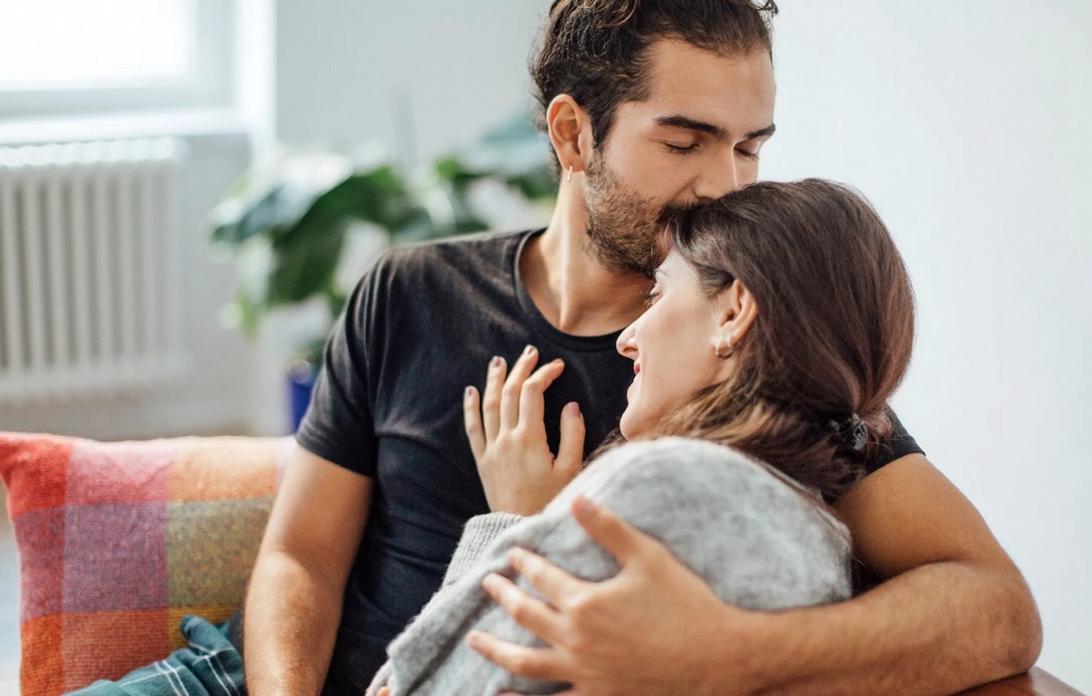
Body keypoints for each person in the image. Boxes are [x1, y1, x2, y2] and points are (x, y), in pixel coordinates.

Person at [73, 2, 1040, 694]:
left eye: (748, 146)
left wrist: (728, 656)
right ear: (575, 134)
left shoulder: (761, 352)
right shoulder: (409, 292)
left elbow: (996, 609)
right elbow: (299, 558)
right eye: (685, 141)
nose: (725, 184)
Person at [365, 178, 920, 695]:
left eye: (656, 295)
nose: (628, 338)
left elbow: (406, 687)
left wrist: (516, 526)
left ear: (733, 312)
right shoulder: (821, 539)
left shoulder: (657, 481)